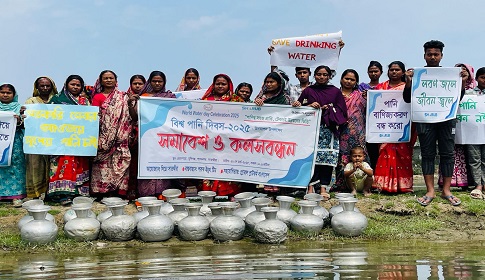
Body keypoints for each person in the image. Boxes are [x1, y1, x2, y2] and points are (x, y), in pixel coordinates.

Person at [403, 40, 466, 206]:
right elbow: (406, 98)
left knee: (447, 154)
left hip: (446, 119)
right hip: (425, 120)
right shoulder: (417, 74)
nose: (432, 57)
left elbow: (458, 97)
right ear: (424, 55)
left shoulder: (451, 75)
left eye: (435, 54)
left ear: (441, 56)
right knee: (428, 155)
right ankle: (430, 190)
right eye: (429, 54)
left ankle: (446, 190)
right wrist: (409, 81)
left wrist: (463, 81)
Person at [292, 65, 348, 198]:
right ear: (314, 75)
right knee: (310, 159)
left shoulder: (335, 92)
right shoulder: (308, 91)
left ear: (329, 76)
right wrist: (308, 106)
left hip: (329, 130)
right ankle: (310, 187)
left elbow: (343, 112)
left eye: (324, 74)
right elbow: (298, 108)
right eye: (319, 74)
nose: (321, 77)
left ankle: (323, 188)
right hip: (311, 130)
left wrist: (329, 108)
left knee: (327, 160)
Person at [372, 61, 417, 194]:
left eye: (397, 70)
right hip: (385, 127)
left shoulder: (408, 87)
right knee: (384, 154)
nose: (394, 72)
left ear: (403, 72)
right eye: (391, 69)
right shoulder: (381, 87)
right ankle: (383, 185)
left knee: (403, 155)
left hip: (402, 126)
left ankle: (403, 186)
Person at [136, 71, 184, 197]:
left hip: (165, 136)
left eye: (160, 81)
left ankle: (164, 193)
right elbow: (135, 116)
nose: (157, 83)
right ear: (150, 82)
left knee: (163, 161)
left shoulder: (170, 97)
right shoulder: (144, 97)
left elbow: (176, 113)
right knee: (148, 162)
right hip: (147, 137)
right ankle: (147, 194)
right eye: (154, 81)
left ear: (164, 82)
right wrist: (132, 104)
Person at [47, 75, 91, 205]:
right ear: (66, 85)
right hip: (61, 140)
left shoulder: (85, 101)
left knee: (79, 164)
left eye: (78, 85)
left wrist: (94, 116)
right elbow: (48, 117)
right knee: (63, 164)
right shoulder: (57, 99)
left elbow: (89, 120)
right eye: (73, 84)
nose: (75, 87)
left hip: (79, 140)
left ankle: (79, 193)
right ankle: (63, 194)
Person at [200, 74, 244, 199]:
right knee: (210, 168)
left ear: (228, 85)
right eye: (217, 84)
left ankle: (231, 197)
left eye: (223, 84)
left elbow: (246, 117)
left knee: (229, 168)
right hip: (210, 144)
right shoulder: (205, 101)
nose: (220, 86)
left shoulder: (237, 100)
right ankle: (209, 198)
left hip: (230, 143)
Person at [90, 70, 132, 199]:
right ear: (101, 81)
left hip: (121, 137)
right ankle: (102, 192)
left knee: (120, 163)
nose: (108, 80)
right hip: (103, 136)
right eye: (106, 78)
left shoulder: (124, 96)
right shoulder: (97, 97)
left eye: (111, 78)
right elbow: (94, 116)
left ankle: (118, 192)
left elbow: (128, 116)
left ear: (116, 80)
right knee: (102, 167)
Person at [437, 63, 476, 190]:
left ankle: (472, 182)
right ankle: (450, 182)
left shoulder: (476, 90)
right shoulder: (449, 87)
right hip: (453, 125)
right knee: (452, 154)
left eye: (465, 70)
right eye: (459, 70)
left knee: (472, 155)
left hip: (473, 130)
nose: (462, 72)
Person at [254, 70, 291, 195]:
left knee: (278, 160)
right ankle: (265, 187)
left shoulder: (285, 99)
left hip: (279, 135)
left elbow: (290, 114)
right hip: (263, 135)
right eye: (267, 82)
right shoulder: (261, 97)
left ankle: (279, 188)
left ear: (279, 84)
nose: (268, 84)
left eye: (272, 82)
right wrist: (257, 104)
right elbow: (252, 113)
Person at [333, 69, 368, 192]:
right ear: (341, 79)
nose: (349, 81)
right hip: (340, 132)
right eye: (346, 78)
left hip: (358, 133)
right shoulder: (335, 95)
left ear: (356, 82)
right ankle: (341, 184)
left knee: (359, 157)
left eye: (352, 79)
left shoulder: (361, 95)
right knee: (341, 158)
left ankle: (362, 185)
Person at [25, 77, 58, 200]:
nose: (45, 88)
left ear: (52, 87)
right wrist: (24, 114)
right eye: (42, 86)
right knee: (35, 165)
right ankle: (36, 193)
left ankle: (51, 193)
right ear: (37, 87)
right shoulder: (31, 102)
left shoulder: (57, 101)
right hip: (36, 139)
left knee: (52, 165)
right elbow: (26, 119)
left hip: (54, 138)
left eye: (47, 86)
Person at [0, 84, 26, 207]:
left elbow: (25, 125)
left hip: (14, 142)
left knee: (15, 166)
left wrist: (19, 119)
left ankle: (16, 196)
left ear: (13, 95)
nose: (5, 95)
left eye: (8, 93)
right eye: (2, 92)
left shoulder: (19, 108)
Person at [359, 61, 384, 170]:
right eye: (371, 71)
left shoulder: (384, 87)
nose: (373, 74)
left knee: (379, 150)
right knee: (367, 150)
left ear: (381, 72)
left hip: (381, 123)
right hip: (364, 122)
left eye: (376, 71)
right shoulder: (361, 87)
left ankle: (378, 175)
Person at [126, 74, 146, 201]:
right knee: (131, 164)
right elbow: (133, 117)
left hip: (147, 136)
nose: (138, 86)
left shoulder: (149, 97)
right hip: (130, 136)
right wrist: (130, 103)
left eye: (140, 84)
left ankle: (143, 191)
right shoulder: (124, 97)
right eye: (135, 83)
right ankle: (131, 191)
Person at [466, 67, 485, 199]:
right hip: (472, 132)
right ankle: (478, 185)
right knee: (474, 159)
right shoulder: (468, 95)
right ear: (477, 78)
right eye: (482, 77)